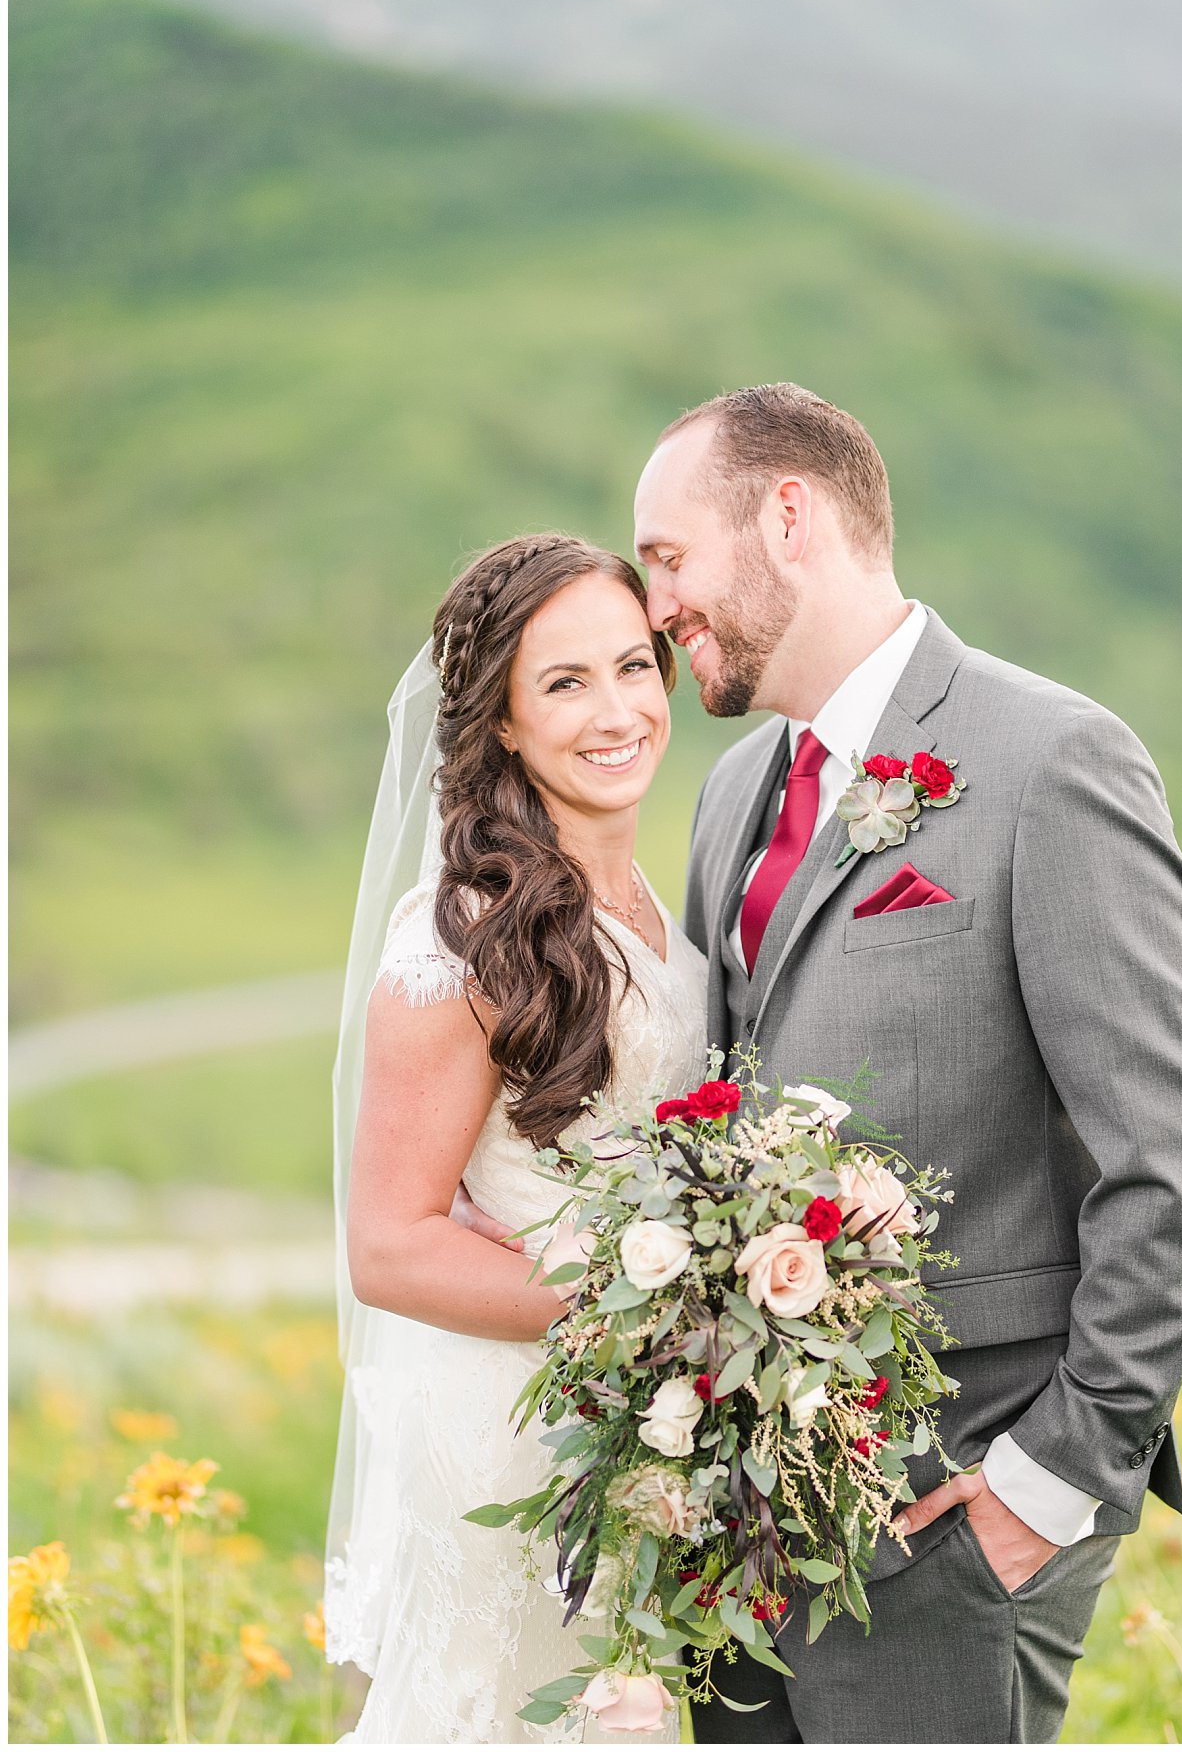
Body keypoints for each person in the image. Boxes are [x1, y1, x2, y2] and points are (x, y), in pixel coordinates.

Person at [631, 383, 1182, 1744]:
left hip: (960, 1507)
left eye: (669, 556)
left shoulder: (1054, 761)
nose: (654, 604)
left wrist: (1055, 1480)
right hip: (747, 1528)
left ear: (789, 515)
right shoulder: (734, 792)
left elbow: (1171, 1158)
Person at [324, 535, 707, 1744]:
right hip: (518, 1437)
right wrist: (649, 1306)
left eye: (633, 666)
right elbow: (387, 1246)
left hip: (639, 1426)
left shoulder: (648, 896)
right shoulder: (461, 940)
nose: (618, 711)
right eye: (564, 682)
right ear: (498, 721)